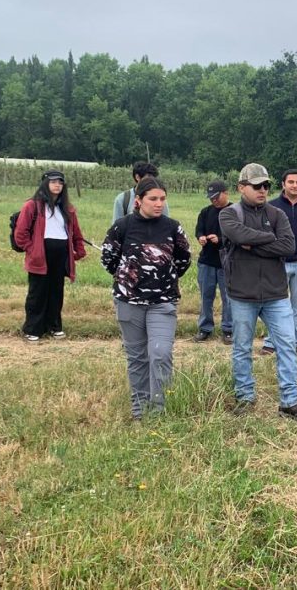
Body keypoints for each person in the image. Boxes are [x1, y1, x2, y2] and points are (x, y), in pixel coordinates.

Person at [219, 163, 297, 421]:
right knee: (242, 348)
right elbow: (238, 235)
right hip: (241, 294)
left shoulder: (277, 215)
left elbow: (288, 246)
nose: (262, 190)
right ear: (241, 187)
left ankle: (290, 402)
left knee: (287, 346)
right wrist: (266, 239)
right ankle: (245, 398)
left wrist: (251, 243)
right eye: (256, 186)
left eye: (266, 186)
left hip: (276, 294)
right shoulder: (229, 215)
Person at [101, 176, 192, 421]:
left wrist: (163, 279)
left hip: (162, 302)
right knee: (138, 357)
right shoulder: (122, 226)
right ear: (138, 201)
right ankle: (140, 410)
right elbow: (109, 259)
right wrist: (130, 280)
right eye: (153, 199)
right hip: (129, 302)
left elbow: (184, 259)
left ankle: (160, 409)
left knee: (160, 353)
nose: (159, 203)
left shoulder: (173, 227)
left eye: (162, 199)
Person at [15, 170, 87, 342]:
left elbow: (75, 232)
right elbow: (21, 233)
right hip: (40, 254)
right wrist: (32, 249)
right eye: (53, 182)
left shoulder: (67, 209)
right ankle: (33, 328)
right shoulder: (32, 206)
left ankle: (54, 326)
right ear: (45, 184)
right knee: (38, 292)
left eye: (60, 183)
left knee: (56, 291)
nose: (57, 185)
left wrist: (78, 249)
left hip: (60, 254)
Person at [261, 169, 297, 357]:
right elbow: (265, 236)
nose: (295, 185)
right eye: (291, 182)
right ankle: (271, 342)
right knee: (275, 305)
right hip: (278, 264)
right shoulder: (272, 207)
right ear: (283, 184)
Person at [193, 180, 233, 345]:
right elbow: (199, 229)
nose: (214, 200)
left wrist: (221, 240)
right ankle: (205, 328)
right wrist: (201, 237)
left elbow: (239, 236)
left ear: (225, 193)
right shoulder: (205, 212)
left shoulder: (234, 212)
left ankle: (228, 330)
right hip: (207, 261)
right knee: (206, 296)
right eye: (211, 197)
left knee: (228, 298)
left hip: (227, 262)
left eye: (216, 196)